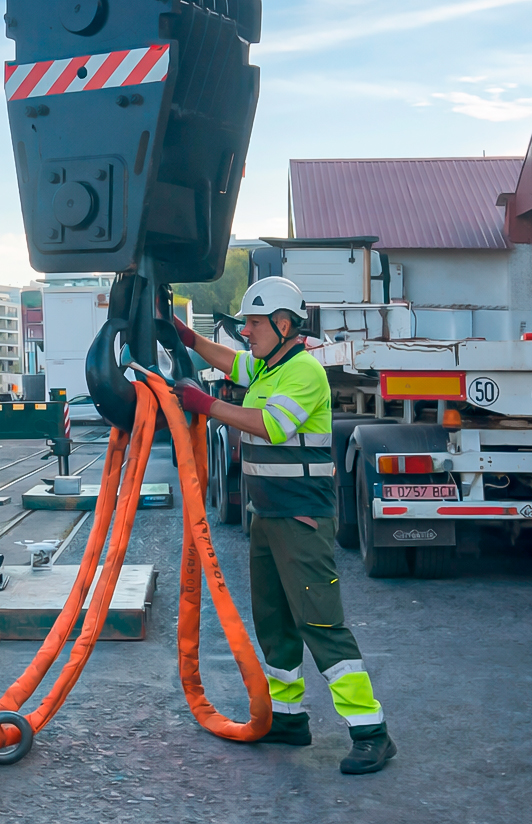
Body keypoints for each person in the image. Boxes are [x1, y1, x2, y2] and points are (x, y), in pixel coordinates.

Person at [172, 276, 396, 775]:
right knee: (273, 624)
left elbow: (270, 426)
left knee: (320, 623)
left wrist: (204, 405)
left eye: (254, 323)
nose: (246, 332)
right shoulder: (268, 366)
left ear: (283, 323)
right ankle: (289, 720)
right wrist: (186, 337)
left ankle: (371, 732)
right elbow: (231, 362)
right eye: (246, 324)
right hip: (267, 517)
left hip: (300, 519)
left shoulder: (304, 373)